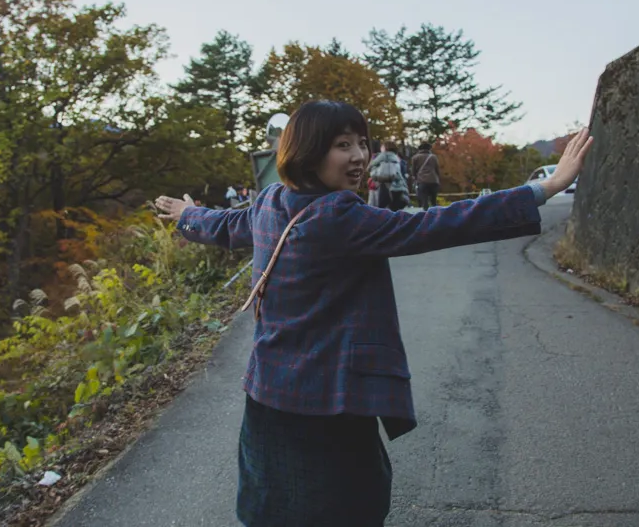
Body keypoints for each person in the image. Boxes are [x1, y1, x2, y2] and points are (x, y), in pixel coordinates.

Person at [154, 100, 592, 526]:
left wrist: (188, 214)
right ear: (308, 151)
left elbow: (226, 225)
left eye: (362, 143)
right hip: (329, 400)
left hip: (267, 392)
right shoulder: (338, 215)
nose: (359, 156)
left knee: (273, 502)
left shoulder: (270, 200)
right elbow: (436, 223)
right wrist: (544, 188)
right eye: (342, 145)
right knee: (349, 504)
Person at [368, 141, 409, 211]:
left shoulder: (383, 155)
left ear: (385, 147)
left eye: (382, 146)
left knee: (382, 206)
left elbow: (370, 166)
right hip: (397, 185)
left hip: (385, 184)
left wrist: (374, 172)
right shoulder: (396, 157)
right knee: (394, 207)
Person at [411, 142, 441, 210]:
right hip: (433, 181)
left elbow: (413, 171)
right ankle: (435, 214)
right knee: (433, 201)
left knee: (424, 201)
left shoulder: (415, 157)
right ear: (429, 149)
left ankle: (426, 213)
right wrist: (438, 179)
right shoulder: (434, 157)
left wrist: (415, 178)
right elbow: (437, 169)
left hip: (422, 181)